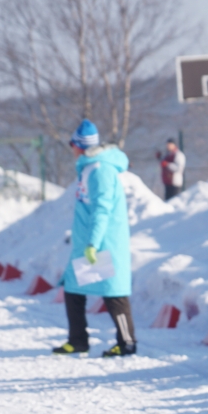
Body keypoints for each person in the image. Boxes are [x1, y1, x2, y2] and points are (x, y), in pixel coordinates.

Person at [53, 119, 137, 358]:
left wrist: (93, 243)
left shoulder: (100, 170)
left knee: (113, 293)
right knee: (73, 288)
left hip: (102, 244)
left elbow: (102, 209)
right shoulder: (90, 168)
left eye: (72, 143)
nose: (71, 148)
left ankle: (127, 342)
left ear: (79, 145)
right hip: (90, 243)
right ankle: (78, 340)